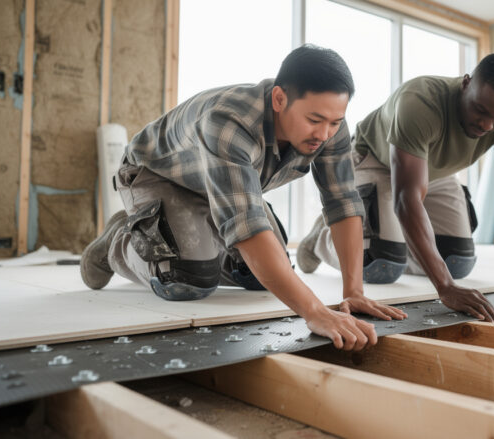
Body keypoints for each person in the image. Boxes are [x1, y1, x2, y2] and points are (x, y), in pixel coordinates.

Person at [80, 45, 407, 351]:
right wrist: (314, 311)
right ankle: (118, 242)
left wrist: (354, 291)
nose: (324, 134)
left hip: (221, 187)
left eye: (334, 122)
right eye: (314, 120)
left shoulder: (329, 126)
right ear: (279, 99)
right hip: (158, 176)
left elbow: (343, 203)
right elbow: (247, 226)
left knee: (260, 277)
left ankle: (196, 245)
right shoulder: (229, 122)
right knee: (187, 279)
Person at [297, 53, 494, 322]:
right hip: (376, 160)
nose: (487, 125)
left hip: (432, 172)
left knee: (457, 262)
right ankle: (321, 240)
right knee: (381, 264)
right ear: (466, 84)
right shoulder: (419, 101)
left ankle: (395, 242)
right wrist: (444, 286)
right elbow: (406, 198)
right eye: (480, 110)